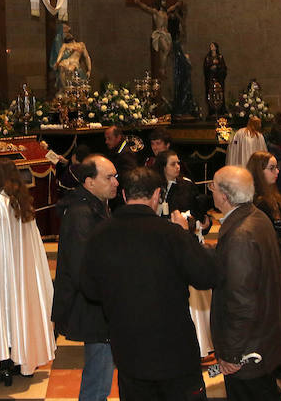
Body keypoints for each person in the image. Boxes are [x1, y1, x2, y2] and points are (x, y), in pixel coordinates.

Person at [82, 167, 219, 400]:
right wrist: (186, 235)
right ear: (157, 195)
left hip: (129, 351)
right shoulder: (172, 234)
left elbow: (90, 290)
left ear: (124, 195)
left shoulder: (100, 234)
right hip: (175, 353)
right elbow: (206, 276)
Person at [209, 166, 281, 401]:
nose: (211, 190)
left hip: (249, 349)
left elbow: (241, 302)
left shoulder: (240, 235)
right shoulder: (256, 217)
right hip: (263, 339)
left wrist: (232, 354)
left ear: (224, 196)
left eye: (213, 186)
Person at [0, 160, 56, 386]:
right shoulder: (21, 201)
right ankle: (23, 362)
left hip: (4, 271)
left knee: (4, 315)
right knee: (20, 315)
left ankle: (4, 367)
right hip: (23, 270)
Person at [51, 155, 118, 401]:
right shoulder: (81, 213)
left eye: (115, 176)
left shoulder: (95, 206)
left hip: (96, 303)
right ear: (90, 182)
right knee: (97, 381)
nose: (116, 182)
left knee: (100, 375)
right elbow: (83, 268)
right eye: (109, 177)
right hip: (93, 306)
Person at [154, 150, 214, 359]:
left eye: (179, 163)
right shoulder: (155, 187)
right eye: (173, 164)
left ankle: (200, 342)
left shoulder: (187, 186)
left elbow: (201, 215)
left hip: (186, 242)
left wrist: (196, 223)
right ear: (162, 167)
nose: (178, 167)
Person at [247, 151, 281, 286]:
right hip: (270, 264)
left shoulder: (274, 195)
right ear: (259, 172)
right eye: (272, 168)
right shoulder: (259, 202)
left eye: (276, 167)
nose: (277, 171)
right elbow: (273, 238)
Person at [131, 0, 179, 79]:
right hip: (160, 34)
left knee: (165, 52)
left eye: (165, 2)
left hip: (166, 35)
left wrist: (177, 4)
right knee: (166, 49)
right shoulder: (156, 12)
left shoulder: (166, 12)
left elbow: (172, 8)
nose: (164, 4)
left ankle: (162, 68)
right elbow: (146, 8)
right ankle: (162, 69)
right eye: (163, 2)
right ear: (160, 4)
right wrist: (139, 3)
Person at [203, 42, 227, 117]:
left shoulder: (220, 57)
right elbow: (205, 68)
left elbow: (223, 68)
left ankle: (221, 110)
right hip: (210, 79)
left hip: (218, 79)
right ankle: (212, 111)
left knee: (219, 94)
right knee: (211, 94)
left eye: (213, 46)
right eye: (211, 46)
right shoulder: (207, 58)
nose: (211, 47)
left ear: (216, 48)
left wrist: (217, 67)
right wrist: (211, 66)